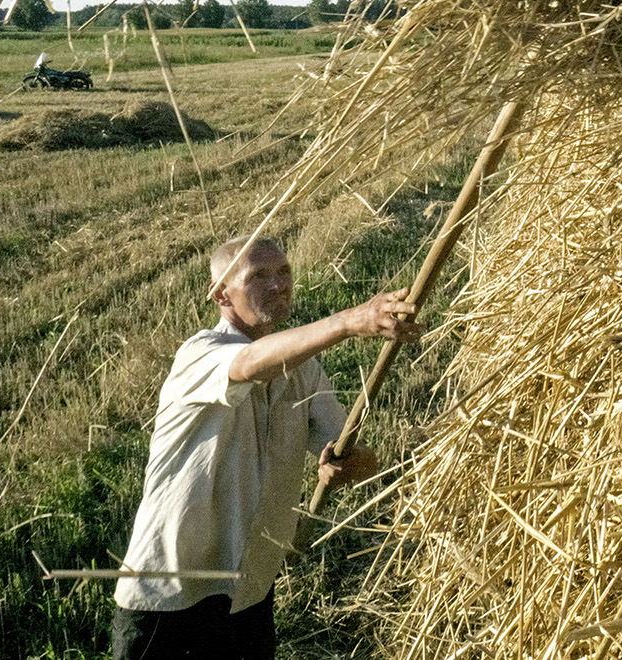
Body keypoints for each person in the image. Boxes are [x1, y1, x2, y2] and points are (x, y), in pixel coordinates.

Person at [110, 235, 422, 660]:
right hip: (173, 591)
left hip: (250, 590)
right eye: (259, 276)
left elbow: (362, 460)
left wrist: (347, 464)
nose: (278, 285)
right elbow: (249, 365)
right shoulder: (201, 353)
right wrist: (350, 321)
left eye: (284, 272)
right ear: (221, 294)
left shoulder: (305, 372)